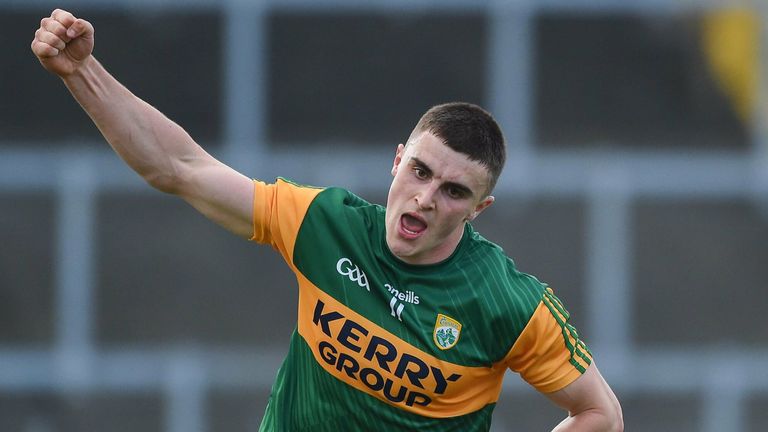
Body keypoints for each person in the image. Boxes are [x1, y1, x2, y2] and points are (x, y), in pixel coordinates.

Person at [31, 9, 623, 431]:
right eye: (419, 172)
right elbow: (179, 167)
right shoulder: (325, 224)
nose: (424, 198)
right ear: (397, 161)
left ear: (478, 209)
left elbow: (600, 413)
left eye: (453, 191)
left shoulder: (508, 302)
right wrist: (82, 72)